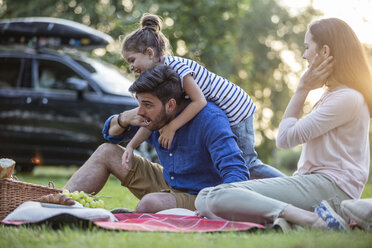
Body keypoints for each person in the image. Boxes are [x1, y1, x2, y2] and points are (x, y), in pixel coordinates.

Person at [194, 18, 372, 231]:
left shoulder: (347, 98)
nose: (304, 55)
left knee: (213, 196)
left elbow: (285, 139)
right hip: (317, 186)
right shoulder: (335, 95)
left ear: (324, 51)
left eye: (307, 47)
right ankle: (296, 219)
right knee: (208, 197)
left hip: (330, 190)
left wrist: (302, 89)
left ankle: (312, 220)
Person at [64, 64, 249, 212]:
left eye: (147, 105)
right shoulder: (152, 116)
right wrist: (124, 118)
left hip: (199, 195)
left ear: (170, 105)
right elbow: (111, 136)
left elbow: (236, 173)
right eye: (139, 104)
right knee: (106, 152)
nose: (141, 111)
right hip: (168, 182)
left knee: (150, 204)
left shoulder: (210, 119)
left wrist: (213, 206)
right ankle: (57, 205)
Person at [121, 13, 285, 179]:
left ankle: (288, 185)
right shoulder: (160, 76)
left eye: (132, 60)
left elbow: (199, 101)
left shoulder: (176, 68)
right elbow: (154, 118)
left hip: (236, 109)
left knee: (247, 164)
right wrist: (132, 145)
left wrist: (173, 126)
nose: (131, 67)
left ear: (149, 53)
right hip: (228, 109)